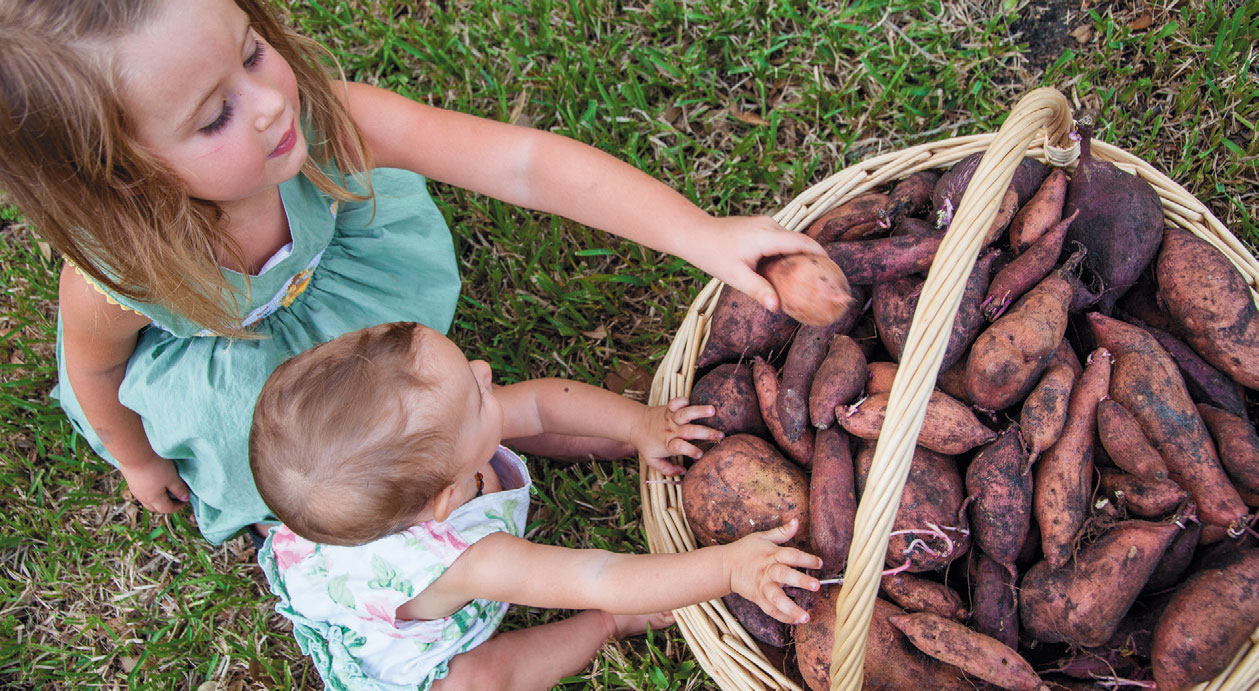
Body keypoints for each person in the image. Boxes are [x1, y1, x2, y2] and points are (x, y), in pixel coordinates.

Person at [0, 0, 825, 544]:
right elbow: (95, 366)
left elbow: (524, 163)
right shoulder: (120, 275)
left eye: (253, 53)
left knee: (428, 403)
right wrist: (137, 459)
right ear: (118, 175)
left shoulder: (331, 124)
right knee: (326, 465)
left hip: (340, 294)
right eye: (214, 114)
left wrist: (694, 230)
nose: (268, 102)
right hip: (246, 372)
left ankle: (531, 424)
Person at [250, 321, 822, 689]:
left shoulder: (437, 458)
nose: (485, 371)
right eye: (475, 394)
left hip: (366, 560)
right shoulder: (475, 560)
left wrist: (642, 424)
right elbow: (602, 574)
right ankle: (605, 631)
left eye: (467, 367)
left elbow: (542, 407)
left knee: (522, 419)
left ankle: (620, 441)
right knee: (482, 681)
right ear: (451, 496)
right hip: (409, 653)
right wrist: (730, 567)